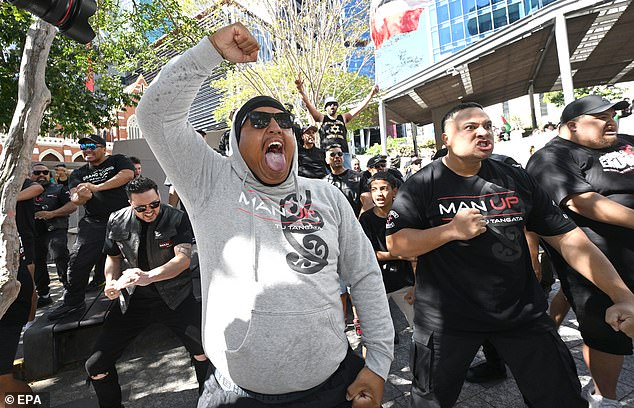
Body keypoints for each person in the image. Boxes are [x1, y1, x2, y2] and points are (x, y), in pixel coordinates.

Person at [137, 22, 393, 407]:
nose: (275, 125)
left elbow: (365, 276)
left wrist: (377, 365)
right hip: (235, 394)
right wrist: (211, 51)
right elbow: (155, 115)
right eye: (258, 122)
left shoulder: (326, 195)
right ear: (237, 144)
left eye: (283, 122)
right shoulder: (210, 182)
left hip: (330, 387)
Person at [385, 101, 634, 407]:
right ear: (446, 138)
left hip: (521, 314)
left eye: (487, 125)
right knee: (430, 402)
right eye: (470, 127)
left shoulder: (514, 177)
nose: (483, 132)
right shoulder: (423, 183)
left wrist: (621, 294)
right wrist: (450, 231)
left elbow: (568, 238)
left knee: (561, 399)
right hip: (447, 321)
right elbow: (397, 243)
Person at [526, 95, 634, 407]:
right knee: (606, 334)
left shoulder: (626, 142)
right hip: (597, 262)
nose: (611, 121)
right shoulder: (551, 157)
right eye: (601, 117)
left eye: (613, 114)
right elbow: (581, 201)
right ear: (572, 125)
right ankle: (605, 398)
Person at [85, 177, 210, 406]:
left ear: (159, 197)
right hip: (133, 301)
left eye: (154, 204)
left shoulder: (177, 217)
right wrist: (111, 282)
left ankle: (209, 401)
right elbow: (112, 258)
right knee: (96, 365)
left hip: (175, 297)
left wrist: (147, 276)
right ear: (130, 204)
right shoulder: (117, 220)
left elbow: (182, 260)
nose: (149, 211)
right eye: (141, 208)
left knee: (203, 352)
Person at [48, 134, 135, 321]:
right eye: (83, 146)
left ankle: (139, 297)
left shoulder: (117, 160)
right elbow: (75, 198)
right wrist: (81, 196)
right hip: (94, 222)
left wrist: (97, 187)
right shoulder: (78, 174)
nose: (86, 149)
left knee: (135, 257)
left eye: (91, 145)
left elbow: (127, 175)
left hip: (125, 218)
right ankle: (73, 302)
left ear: (103, 148)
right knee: (78, 261)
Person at [359, 172, 415, 344]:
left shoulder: (405, 215)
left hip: (405, 282)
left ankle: (427, 368)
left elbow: (416, 254)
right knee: (374, 337)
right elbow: (369, 254)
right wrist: (400, 255)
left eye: (384, 188)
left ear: (395, 191)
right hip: (377, 283)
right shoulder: (366, 219)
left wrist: (417, 285)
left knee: (421, 328)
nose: (379, 194)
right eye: (374, 189)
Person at [295, 74, 378, 169]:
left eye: (334, 104)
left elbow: (359, 107)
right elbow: (309, 105)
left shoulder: (343, 117)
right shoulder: (322, 118)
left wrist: (371, 94)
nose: (332, 106)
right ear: (326, 108)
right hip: (327, 154)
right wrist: (300, 90)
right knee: (327, 179)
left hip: (343, 153)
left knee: (347, 178)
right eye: (329, 105)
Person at [30, 163, 76, 308]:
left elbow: (72, 206)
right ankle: (44, 294)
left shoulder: (59, 189)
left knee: (59, 255)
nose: (42, 175)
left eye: (45, 172)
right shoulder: (23, 191)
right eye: (37, 172)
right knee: (37, 262)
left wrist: (52, 213)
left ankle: (69, 288)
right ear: (30, 175)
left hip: (55, 229)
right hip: (33, 233)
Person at [324, 144, 364, 217]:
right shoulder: (324, 183)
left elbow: (367, 203)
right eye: (332, 155)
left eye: (340, 154)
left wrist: (358, 223)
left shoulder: (358, 177)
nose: (337, 156)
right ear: (326, 160)